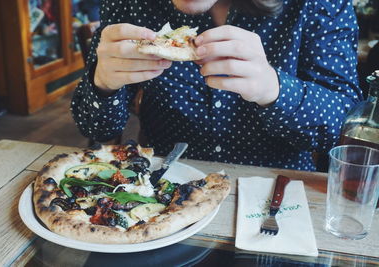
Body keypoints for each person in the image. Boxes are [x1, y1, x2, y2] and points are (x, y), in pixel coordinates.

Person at [71, 0, 363, 171]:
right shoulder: (128, 4)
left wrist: (274, 89)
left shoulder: (319, 5)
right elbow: (95, 129)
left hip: (279, 193)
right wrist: (103, 86)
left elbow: (346, 133)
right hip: (163, 190)